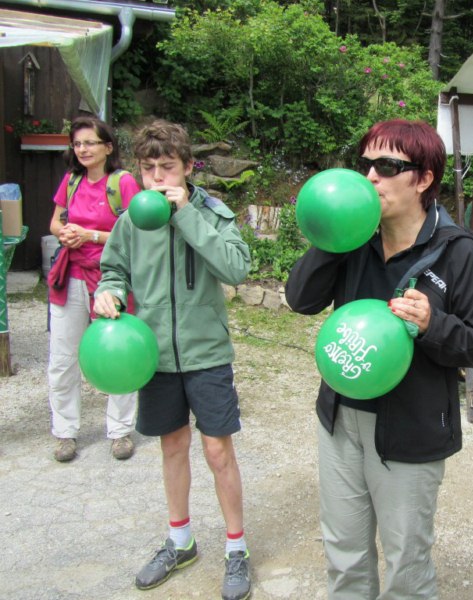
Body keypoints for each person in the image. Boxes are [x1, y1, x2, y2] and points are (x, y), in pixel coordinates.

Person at [285, 119, 473, 598]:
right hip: (341, 419)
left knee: (406, 563)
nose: (370, 178)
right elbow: (299, 299)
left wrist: (433, 325)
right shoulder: (353, 235)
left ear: (423, 178)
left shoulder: (457, 251)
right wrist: (330, 237)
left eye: (387, 166)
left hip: (412, 429)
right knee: (344, 553)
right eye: (365, 164)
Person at [93, 120, 252, 600]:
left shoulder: (212, 212)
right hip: (154, 354)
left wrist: (186, 215)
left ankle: (236, 548)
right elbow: (114, 269)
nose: (158, 178)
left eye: (168, 168)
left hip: (206, 353)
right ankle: (180, 541)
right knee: (172, 446)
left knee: (218, 451)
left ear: (187, 168)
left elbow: (236, 268)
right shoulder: (131, 220)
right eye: (149, 169)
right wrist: (109, 292)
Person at [47, 115, 140, 463]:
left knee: (118, 353)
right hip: (70, 273)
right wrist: (65, 233)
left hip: (111, 277)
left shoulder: (123, 182)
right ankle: (65, 432)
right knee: (62, 357)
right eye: (78, 143)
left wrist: (91, 235)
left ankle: (119, 431)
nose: (83, 149)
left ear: (108, 147)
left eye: (90, 142)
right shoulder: (71, 181)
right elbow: (55, 220)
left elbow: (136, 231)